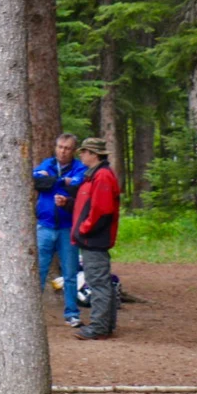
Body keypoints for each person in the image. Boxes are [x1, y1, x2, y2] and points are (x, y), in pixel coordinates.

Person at [32, 133, 88, 327]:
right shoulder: (46, 164)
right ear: (55, 148)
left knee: (70, 273)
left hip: (67, 227)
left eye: (67, 148)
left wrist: (53, 181)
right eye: (60, 147)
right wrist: (63, 181)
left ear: (74, 151)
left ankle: (72, 313)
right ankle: (33, 314)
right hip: (45, 225)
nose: (63, 151)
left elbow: (77, 186)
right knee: (39, 271)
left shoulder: (79, 167)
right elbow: (37, 182)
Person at [71, 137, 121, 340]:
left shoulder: (101, 176)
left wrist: (84, 229)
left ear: (93, 154)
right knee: (101, 282)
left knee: (98, 284)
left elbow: (102, 210)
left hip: (94, 239)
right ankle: (105, 325)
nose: (81, 155)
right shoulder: (94, 175)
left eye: (84, 152)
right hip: (92, 238)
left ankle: (99, 327)